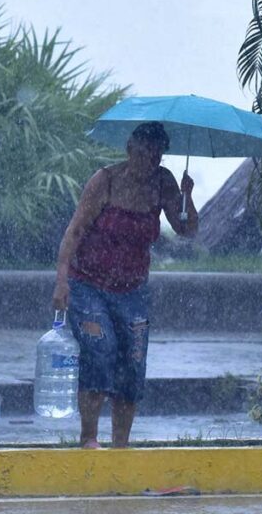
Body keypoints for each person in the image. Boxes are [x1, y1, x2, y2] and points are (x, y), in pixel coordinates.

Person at [52, 122, 198, 448]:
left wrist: (187, 195)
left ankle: (121, 444)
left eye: (159, 153)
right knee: (100, 350)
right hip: (89, 283)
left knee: (132, 363)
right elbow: (75, 230)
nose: (152, 159)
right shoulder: (105, 180)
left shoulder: (163, 183)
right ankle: (89, 437)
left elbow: (186, 230)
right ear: (130, 149)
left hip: (132, 290)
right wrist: (62, 279)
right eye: (146, 151)